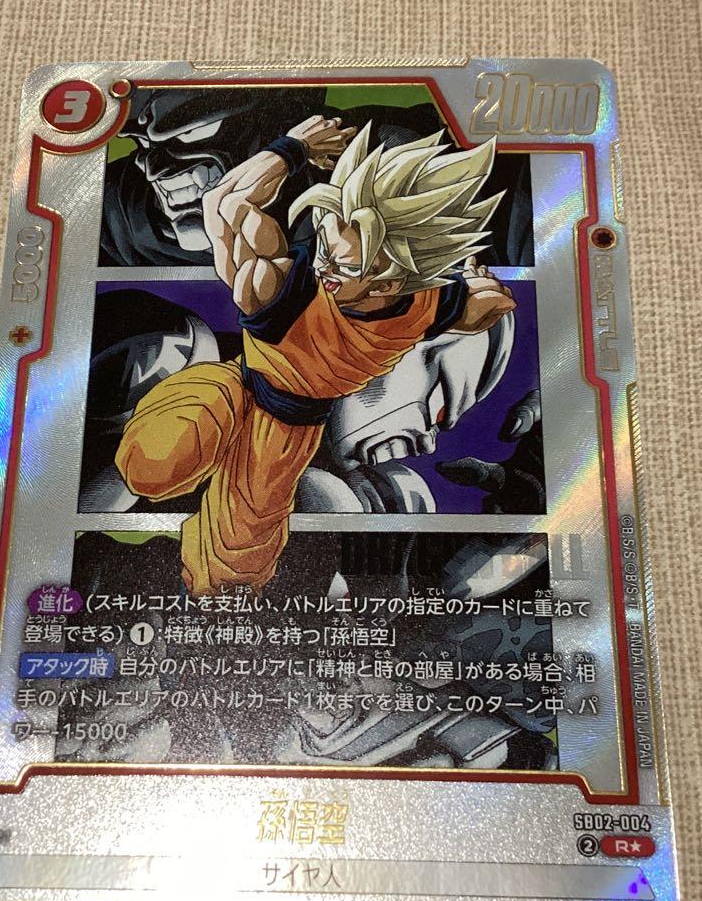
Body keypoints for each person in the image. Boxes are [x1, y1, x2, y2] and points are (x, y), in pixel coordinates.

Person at [115, 116, 517, 593]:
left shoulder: (425, 303)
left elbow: (482, 309)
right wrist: (291, 149)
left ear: (389, 283)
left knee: (231, 570)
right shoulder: (285, 288)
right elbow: (222, 204)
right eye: (325, 246)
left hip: (287, 434)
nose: (323, 268)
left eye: (343, 266)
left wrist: (485, 288)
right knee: (151, 466)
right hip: (232, 387)